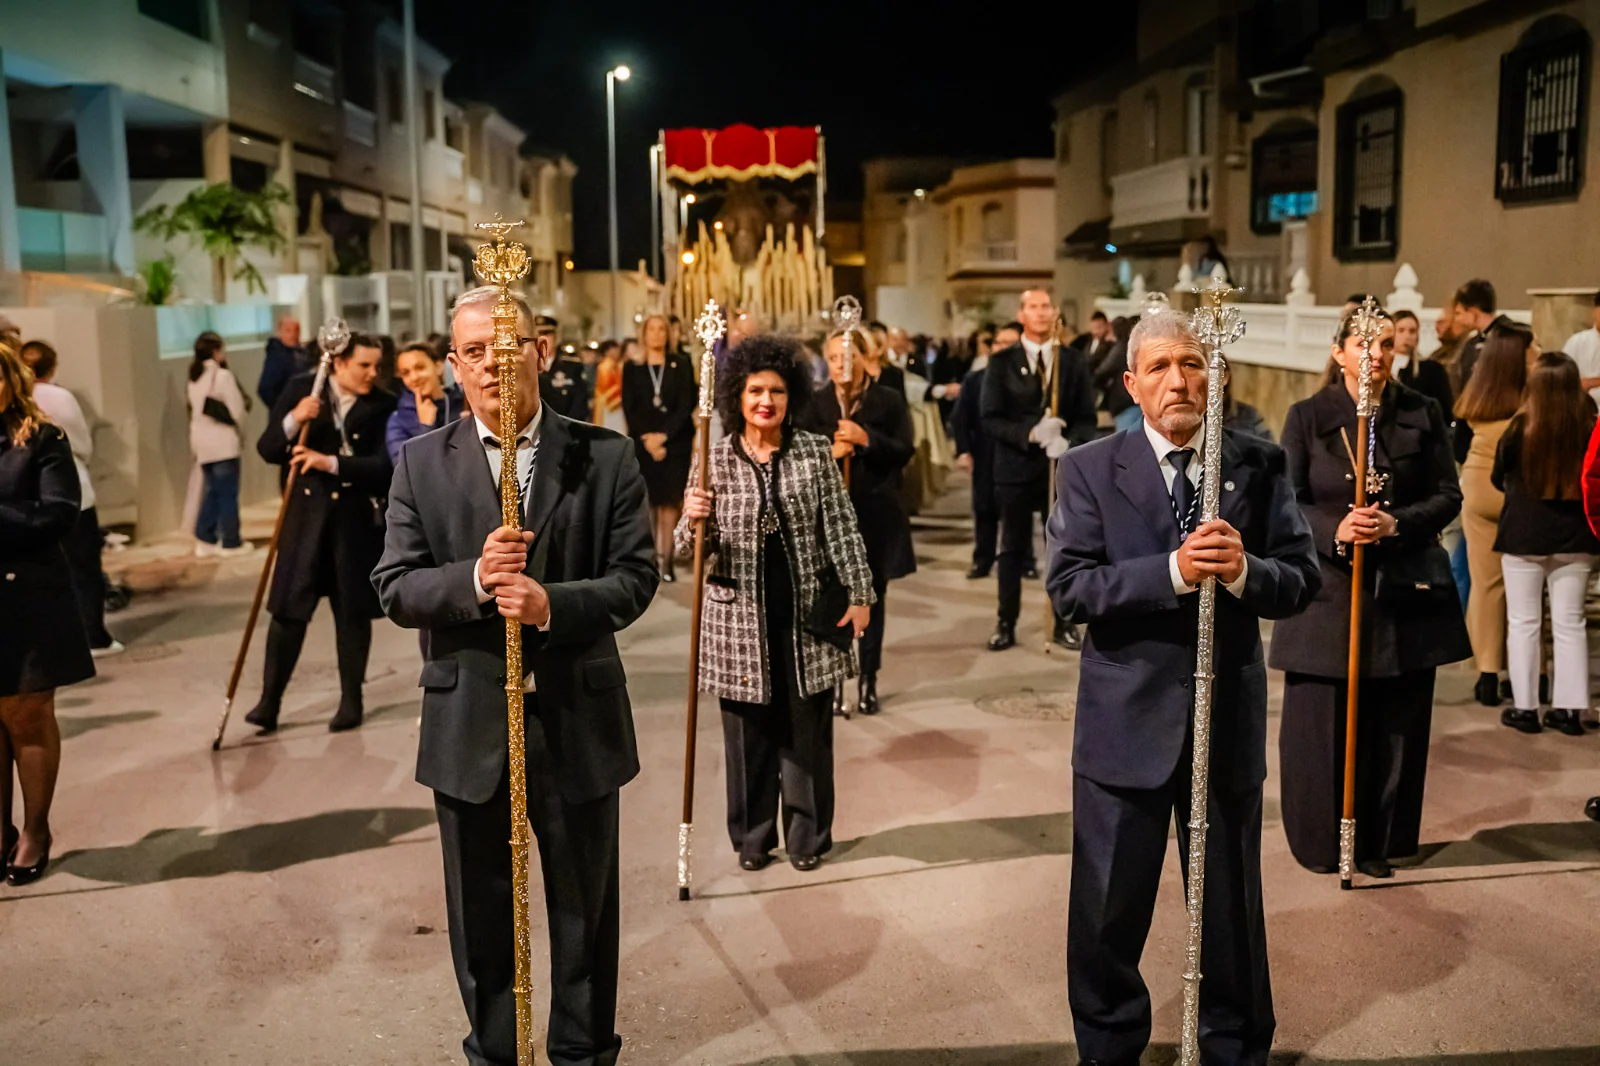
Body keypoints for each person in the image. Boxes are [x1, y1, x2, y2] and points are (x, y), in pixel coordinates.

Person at [373, 284, 656, 1066]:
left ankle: (582, 1054)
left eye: (507, 347)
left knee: (582, 915)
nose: (493, 365)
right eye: (474, 353)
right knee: (481, 917)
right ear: (453, 366)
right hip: (469, 725)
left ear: (539, 349)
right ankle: (495, 1054)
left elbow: (635, 579)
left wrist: (547, 605)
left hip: (576, 718)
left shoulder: (605, 455)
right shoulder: (420, 464)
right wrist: (470, 582)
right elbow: (395, 586)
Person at [1046, 308, 1319, 1066]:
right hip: (1123, 726)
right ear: (1132, 382)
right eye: (1162, 366)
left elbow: (1300, 579)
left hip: (1221, 721)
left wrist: (1241, 572)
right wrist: (1171, 573)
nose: (1180, 380)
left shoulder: (1257, 466)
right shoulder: (1091, 468)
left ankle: (1233, 1047)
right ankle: (1108, 1047)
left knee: (1230, 910)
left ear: (1215, 375)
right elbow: (1070, 588)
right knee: (1107, 910)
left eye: (1194, 363)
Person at [1273, 308, 1471, 879]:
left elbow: (1446, 494)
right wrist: (1334, 529)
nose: (1377, 354)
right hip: (1328, 594)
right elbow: (1284, 501)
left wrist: (1396, 524)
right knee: (1320, 726)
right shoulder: (1310, 416)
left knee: (1395, 723)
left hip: (1401, 589)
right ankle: (1320, 841)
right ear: (1339, 353)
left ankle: (1380, 839)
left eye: (1385, 343)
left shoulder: (1421, 411)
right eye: (1364, 343)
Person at [678, 334, 873, 873]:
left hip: (805, 619)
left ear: (792, 398)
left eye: (778, 391)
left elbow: (841, 528)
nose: (767, 401)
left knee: (806, 736)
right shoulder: (712, 457)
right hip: (737, 622)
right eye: (756, 390)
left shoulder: (812, 451)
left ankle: (808, 837)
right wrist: (695, 519)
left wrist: (860, 593)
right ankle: (752, 837)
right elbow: (685, 547)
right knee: (748, 740)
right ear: (738, 395)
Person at [245, 333, 396, 734]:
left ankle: (352, 700)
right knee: (288, 612)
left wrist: (330, 463)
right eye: (364, 365)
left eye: (376, 366)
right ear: (340, 362)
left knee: (352, 614)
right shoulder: (302, 389)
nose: (372, 374)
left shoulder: (383, 404)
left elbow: (386, 468)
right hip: (304, 521)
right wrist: (295, 417)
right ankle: (269, 701)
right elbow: (268, 448)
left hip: (354, 524)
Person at [0, 340, 95, 886]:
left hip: (29, 598)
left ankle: (35, 832)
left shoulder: (41, 437)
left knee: (27, 718)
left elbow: (61, 512)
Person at [803, 327, 915, 716]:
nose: (840, 366)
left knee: (873, 597)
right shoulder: (815, 402)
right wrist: (830, 451)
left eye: (847, 358)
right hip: (829, 518)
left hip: (876, 510)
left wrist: (867, 439)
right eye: (833, 359)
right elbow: (800, 453)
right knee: (834, 595)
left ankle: (868, 676)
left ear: (864, 359)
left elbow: (904, 450)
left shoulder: (888, 400)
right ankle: (836, 677)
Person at [980, 288, 1097, 652]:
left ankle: (1063, 621)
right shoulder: (1001, 363)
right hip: (1015, 469)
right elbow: (990, 418)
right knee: (1011, 548)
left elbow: (1087, 418)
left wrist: (1070, 442)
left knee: (1063, 547)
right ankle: (1005, 620)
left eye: (1047, 305)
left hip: (1059, 469)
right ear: (1022, 314)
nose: (1042, 312)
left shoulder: (1073, 362)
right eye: (1034, 307)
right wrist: (1030, 433)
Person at [1493, 351, 1600, 736]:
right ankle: (1569, 711)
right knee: (1571, 624)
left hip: (1524, 533)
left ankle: (1526, 709)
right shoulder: (1591, 427)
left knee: (1523, 622)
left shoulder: (1520, 427)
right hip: (1576, 535)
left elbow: (1497, 476)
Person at [24, 340, 123, 655]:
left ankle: (57, 637)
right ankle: (93, 635)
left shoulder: (20, 399)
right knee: (84, 567)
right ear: (52, 366)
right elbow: (80, 442)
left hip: (29, 499)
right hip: (71, 493)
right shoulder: (59, 397)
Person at [1454, 323, 1531, 707]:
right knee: (1531, 586)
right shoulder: (1532, 393)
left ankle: (1486, 674)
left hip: (1476, 483)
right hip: (1519, 487)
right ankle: (1534, 675)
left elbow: (1460, 437)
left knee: (1486, 584)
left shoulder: (1481, 386)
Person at [621, 314, 695, 583]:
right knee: (648, 502)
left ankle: (668, 559)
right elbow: (630, 405)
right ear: (644, 334)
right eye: (652, 329)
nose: (657, 334)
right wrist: (648, 439)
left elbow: (686, 405)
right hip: (643, 443)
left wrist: (664, 437)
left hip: (675, 443)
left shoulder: (681, 364)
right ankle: (648, 559)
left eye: (662, 329)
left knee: (669, 502)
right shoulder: (632, 367)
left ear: (668, 334)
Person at [953, 321, 1021, 578]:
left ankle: (1022, 560)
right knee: (984, 507)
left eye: (1010, 344)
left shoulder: (1029, 381)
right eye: (999, 343)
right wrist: (964, 450)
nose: (1003, 349)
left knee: (1016, 512)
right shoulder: (975, 380)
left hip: (1016, 453)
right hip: (984, 452)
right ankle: (983, 558)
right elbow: (961, 418)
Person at [186, 332, 255, 561]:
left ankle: (204, 537)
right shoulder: (222, 376)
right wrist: (242, 431)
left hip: (202, 443)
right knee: (228, 493)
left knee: (213, 491)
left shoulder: (193, 378)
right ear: (216, 352)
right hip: (224, 442)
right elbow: (237, 410)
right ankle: (231, 540)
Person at [387, 341, 466, 464]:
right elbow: (404, 469)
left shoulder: (463, 403)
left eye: (420, 368)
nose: (414, 378)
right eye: (406, 373)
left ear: (438, 367)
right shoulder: (398, 420)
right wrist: (426, 427)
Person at [1392, 309, 1454, 418]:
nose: (1407, 336)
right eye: (1401, 330)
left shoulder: (1431, 370)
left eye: (1412, 331)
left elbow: (1443, 409)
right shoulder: (1379, 366)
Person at [1093, 315, 1138, 432]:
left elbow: (1103, 371)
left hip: (1125, 403)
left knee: (1128, 444)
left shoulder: (1121, 348)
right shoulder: (1130, 346)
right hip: (1131, 401)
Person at [257, 316, 309, 409]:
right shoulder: (276, 357)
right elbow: (265, 389)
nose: (293, 334)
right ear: (279, 332)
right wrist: (282, 408)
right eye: (288, 330)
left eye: (296, 330)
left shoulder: (302, 353)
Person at [1559, 290, 1600, 404]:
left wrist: (1594, 382)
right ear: (1594, 310)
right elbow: (1560, 379)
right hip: (1580, 410)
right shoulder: (1576, 341)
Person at [539, 340, 593, 423]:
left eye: (548, 335)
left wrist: (570, 424)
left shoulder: (571, 365)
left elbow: (579, 397)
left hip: (567, 423)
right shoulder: (529, 366)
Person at [592, 339, 626, 432]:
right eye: (615, 349)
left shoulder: (618, 365)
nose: (617, 352)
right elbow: (606, 386)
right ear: (608, 351)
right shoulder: (604, 367)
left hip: (617, 401)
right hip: (609, 403)